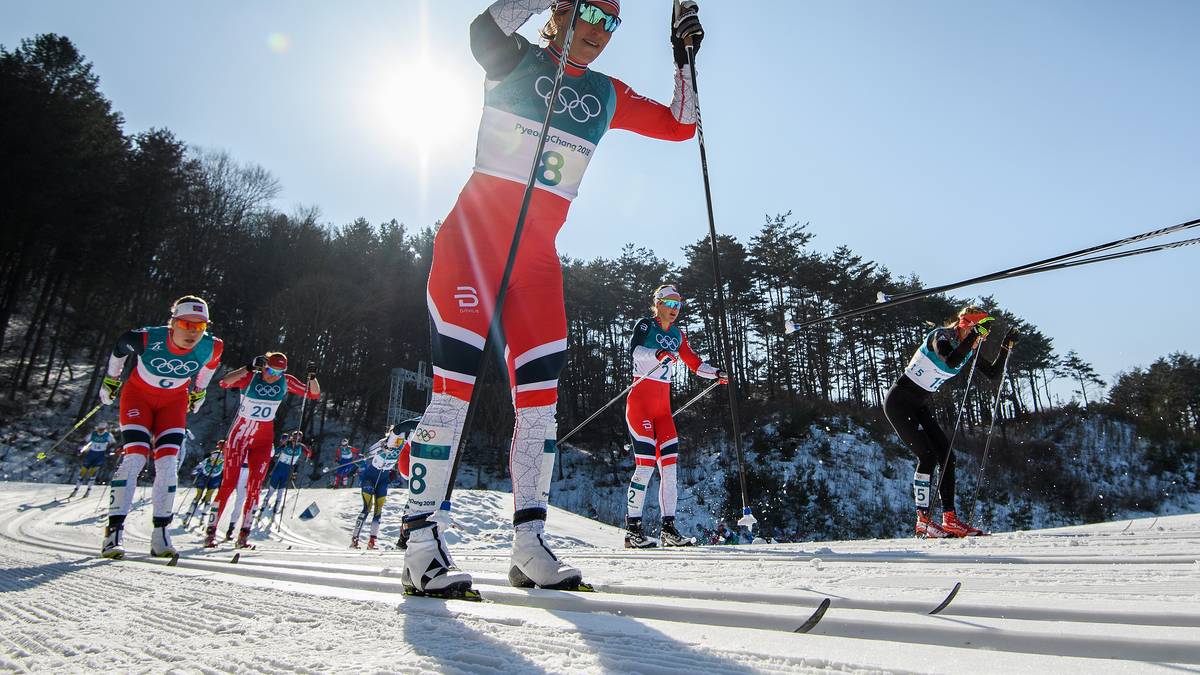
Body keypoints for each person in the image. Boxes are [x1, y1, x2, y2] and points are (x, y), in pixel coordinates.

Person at [399, 0, 707, 599]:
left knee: (539, 406)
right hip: (472, 247)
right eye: (588, 14)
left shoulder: (605, 93)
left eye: (611, 23)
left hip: (535, 262)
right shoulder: (514, 60)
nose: (597, 33)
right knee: (452, 397)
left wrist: (684, 58)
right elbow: (481, 31)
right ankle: (418, 545)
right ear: (561, 13)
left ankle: (529, 546)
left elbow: (681, 124)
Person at [99, 295, 223, 559]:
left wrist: (199, 391)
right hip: (138, 398)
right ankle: (113, 534)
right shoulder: (145, 338)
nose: (192, 332)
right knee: (135, 457)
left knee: (168, 463)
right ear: (173, 323)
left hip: (173, 403)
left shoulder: (212, 346)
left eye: (199, 326)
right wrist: (111, 379)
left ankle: (161, 535)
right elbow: (119, 348)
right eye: (186, 324)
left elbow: (209, 368)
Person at [884, 306, 1017, 538]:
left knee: (947, 457)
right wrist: (975, 336)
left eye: (983, 334)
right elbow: (951, 359)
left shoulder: (968, 348)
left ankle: (950, 519)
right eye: (979, 331)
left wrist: (1006, 345)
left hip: (918, 405)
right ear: (966, 325)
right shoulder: (941, 336)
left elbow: (994, 373)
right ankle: (923, 521)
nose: (981, 338)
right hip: (899, 402)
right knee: (927, 456)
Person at [622, 285, 726, 548]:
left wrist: (715, 373)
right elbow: (634, 351)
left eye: (678, 304)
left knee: (669, 470)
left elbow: (694, 363)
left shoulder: (678, 335)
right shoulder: (646, 326)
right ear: (657, 303)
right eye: (669, 303)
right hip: (640, 407)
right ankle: (632, 531)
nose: (674, 309)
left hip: (663, 413)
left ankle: (668, 530)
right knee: (645, 466)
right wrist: (657, 354)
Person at [205, 352, 319, 549]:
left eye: (279, 371)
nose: (274, 375)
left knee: (255, 487)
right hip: (239, 437)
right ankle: (211, 531)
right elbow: (224, 382)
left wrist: (312, 377)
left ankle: (243, 535)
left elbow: (314, 393)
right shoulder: (252, 377)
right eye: (271, 370)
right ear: (264, 366)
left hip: (263, 440)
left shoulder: (286, 381)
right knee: (228, 484)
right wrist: (248, 367)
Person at [352, 420, 417, 550]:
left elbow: (413, 444)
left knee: (378, 511)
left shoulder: (404, 444)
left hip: (383, 480)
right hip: (369, 478)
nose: (399, 438)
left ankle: (372, 542)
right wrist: (382, 447)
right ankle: (355, 539)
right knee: (367, 508)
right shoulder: (384, 442)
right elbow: (368, 453)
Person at [258, 430, 312, 521]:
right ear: (292, 437)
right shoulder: (287, 443)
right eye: (295, 437)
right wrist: (282, 445)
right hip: (279, 468)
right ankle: (264, 504)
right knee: (272, 488)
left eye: (298, 437)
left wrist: (309, 452)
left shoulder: (301, 446)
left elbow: (309, 454)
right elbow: (275, 452)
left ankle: (277, 506)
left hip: (288, 470)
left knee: (281, 490)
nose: (296, 439)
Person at [181, 441, 224, 528]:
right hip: (215, 479)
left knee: (198, 496)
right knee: (208, 497)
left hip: (204, 477)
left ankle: (188, 515)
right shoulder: (225, 458)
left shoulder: (209, 457)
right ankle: (203, 518)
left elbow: (198, 467)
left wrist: (196, 471)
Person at [69, 422, 116, 498]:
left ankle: (88, 490)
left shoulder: (108, 435)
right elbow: (84, 441)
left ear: (105, 429)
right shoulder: (93, 434)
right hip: (91, 454)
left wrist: (110, 450)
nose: (100, 431)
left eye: (102, 430)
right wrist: (79, 449)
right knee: (83, 471)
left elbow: (113, 444)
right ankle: (76, 490)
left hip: (100, 455)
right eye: (99, 429)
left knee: (92, 472)